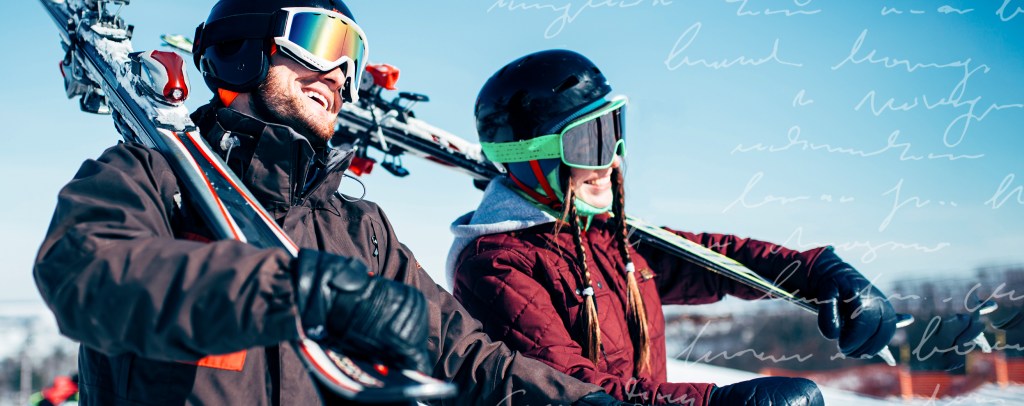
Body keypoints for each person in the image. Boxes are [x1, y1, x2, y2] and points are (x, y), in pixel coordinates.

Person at [33, 2, 625, 405]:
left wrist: (582, 403)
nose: (341, 74)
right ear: (247, 47)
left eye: (354, 58)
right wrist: (296, 290)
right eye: (323, 44)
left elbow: (467, 354)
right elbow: (82, 275)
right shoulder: (152, 178)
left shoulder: (362, 230)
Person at [448, 49, 899, 405]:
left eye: (615, 130)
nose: (613, 159)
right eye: (589, 141)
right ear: (530, 158)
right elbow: (567, 390)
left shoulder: (604, 235)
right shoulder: (496, 266)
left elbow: (711, 260)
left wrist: (816, 270)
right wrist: (717, 404)